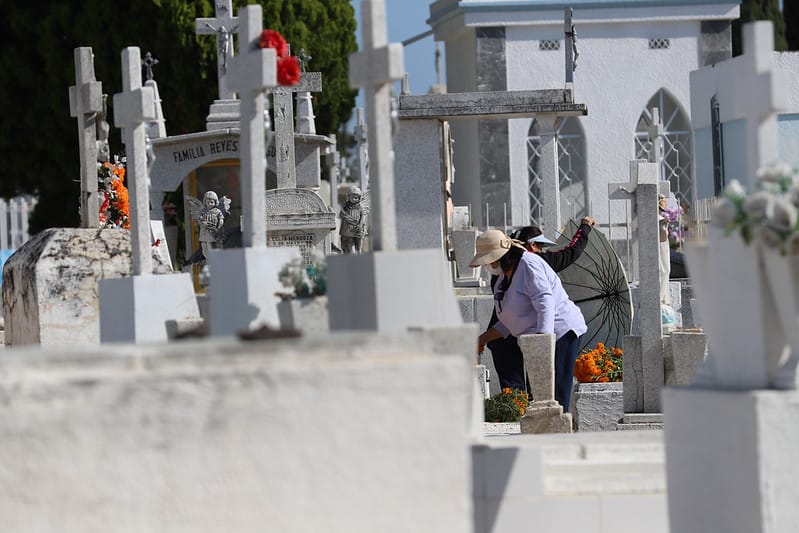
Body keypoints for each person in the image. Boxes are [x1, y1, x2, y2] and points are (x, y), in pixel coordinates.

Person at [470, 230, 587, 411]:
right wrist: (482, 339)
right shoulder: (502, 280)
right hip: (536, 342)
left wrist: (543, 343)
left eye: (488, 262)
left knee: (555, 396)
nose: (488, 266)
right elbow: (509, 322)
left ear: (498, 258)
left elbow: (544, 301)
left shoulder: (528, 264)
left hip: (560, 333)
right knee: (541, 397)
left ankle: (559, 427)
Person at [339, 185, 368, 253]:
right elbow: (342, 214)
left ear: (359, 198)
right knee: (350, 240)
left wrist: (360, 224)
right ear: (348, 197)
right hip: (349, 228)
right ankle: (352, 252)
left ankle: (359, 251)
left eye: (356, 197)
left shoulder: (360, 207)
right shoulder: (346, 206)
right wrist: (347, 218)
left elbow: (363, 215)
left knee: (359, 241)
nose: (354, 199)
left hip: (358, 227)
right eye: (352, 197)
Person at [658, 195, 671, 305]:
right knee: (664, 271)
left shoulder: (662, 219)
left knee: (666, 271)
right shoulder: (659, 220)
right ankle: (660, 297)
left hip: (664, 244)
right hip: (660, 245)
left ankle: (664, 297)